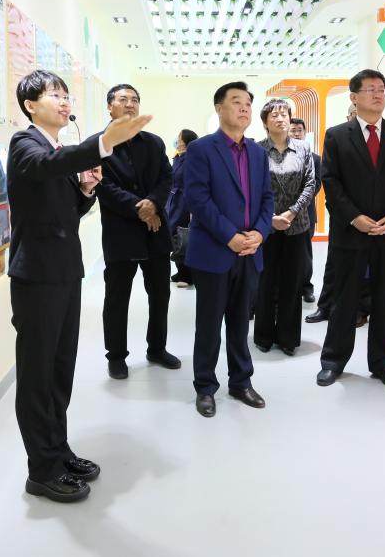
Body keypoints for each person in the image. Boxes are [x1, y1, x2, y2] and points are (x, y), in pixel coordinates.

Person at [7, 70, 150, 503]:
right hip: (37, 277)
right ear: (31, 105)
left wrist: (86, 191)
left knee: (59, 371)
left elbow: (65, 210)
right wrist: (103, 143)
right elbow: (46, 167)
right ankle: (41, 470)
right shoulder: (25, 144)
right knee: (37, 376)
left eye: (66, 95)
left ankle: (58, 450)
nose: (64, 101)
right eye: (55, 94)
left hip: (65, 272)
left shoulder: (54, 150)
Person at [316, 70, 385, 390]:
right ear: (354, 97)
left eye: (382, 89)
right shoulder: (337, 135)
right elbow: (331, 182)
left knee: (384, 301)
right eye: (371, 89)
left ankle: (384, 363)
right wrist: (354, 217)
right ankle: (333, 362)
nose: (378, 94)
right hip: (351, 233)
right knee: (344, 300)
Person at [185, 82, 274, 418]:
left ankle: (241, 381)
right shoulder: (201, 149)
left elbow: (267, 198)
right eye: (236, 101)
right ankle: (205, 387)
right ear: (219, 108)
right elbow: (198, 199)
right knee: (209, 325)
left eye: (248, 102)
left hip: (250, 252)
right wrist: (230, 236)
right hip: (215, 251)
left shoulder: (258, 153)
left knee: (240, 324)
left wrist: (260, 233)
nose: (244, 107)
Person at [94, 84, 181, 380]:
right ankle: (116, 356)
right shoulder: (99, 146)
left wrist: (153, 203)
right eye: (123, 99)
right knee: (117, 299)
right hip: (121, 234)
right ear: (110, 107)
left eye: (134, 99)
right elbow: (103, 187)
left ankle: (157, 348)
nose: (130, 104)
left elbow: (166, 177)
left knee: (160, 295)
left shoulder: (153, 143)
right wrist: (139, 208)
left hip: (155, 233)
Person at [253, 101, 316, 356]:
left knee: (293, 282)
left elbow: (310, 184)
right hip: (266, 227)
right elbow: (251, 189)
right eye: (274, 115)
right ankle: (264, 335)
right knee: (266, 281)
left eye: (284, 114)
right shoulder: (256, 150)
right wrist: (271, 218)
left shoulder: (303, 148)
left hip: (296, 225)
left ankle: (288, 337)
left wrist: (291, 212)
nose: (280, 118)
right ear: (265, 122)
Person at [305, 102, 371, 328]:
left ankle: (361, 310)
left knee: (367, 266)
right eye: (354, 113)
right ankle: (326, 306)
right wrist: (348, 213)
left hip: (374, 217)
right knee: (334, 264)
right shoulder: (338, 137)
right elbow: (330, 178)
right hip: (344, 214)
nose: (358, 116)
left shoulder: (381, 139)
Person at [289, 117, 321, 303]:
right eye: (292, 130)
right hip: (283, 214)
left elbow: (316, 186)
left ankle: (306, 288)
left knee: (305, 254)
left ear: (304, 133)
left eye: (299, 130)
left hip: (306, 214)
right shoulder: (281, 156)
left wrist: (297, 204)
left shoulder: (315, 159)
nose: (296, 133)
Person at [166, 129, 199, 287]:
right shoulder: (177, 158)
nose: (176, 140)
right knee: (174, 235)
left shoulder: (192, 159)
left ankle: (187, 275)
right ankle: (180, 270)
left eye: (179, 138)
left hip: (185, 203)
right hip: (174, 201)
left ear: (186, 142)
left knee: (184, 236)